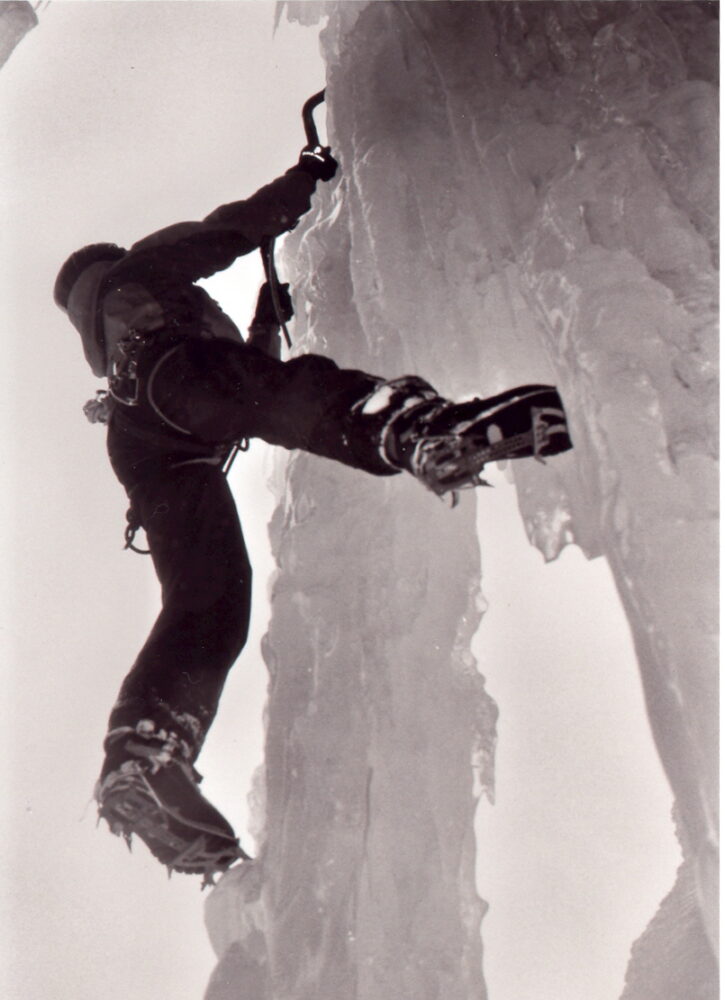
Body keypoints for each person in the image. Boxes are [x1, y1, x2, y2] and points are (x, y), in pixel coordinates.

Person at [54, 143, 572, 886]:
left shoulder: (112, 352)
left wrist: (264, 323)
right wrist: (304, 178)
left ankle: (144, 755)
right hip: (174, 381)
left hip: (147, 447)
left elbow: (224, 400)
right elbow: (229, 232)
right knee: (297, 396)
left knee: (207, 603)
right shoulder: (137, 273)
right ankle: (422, 431)